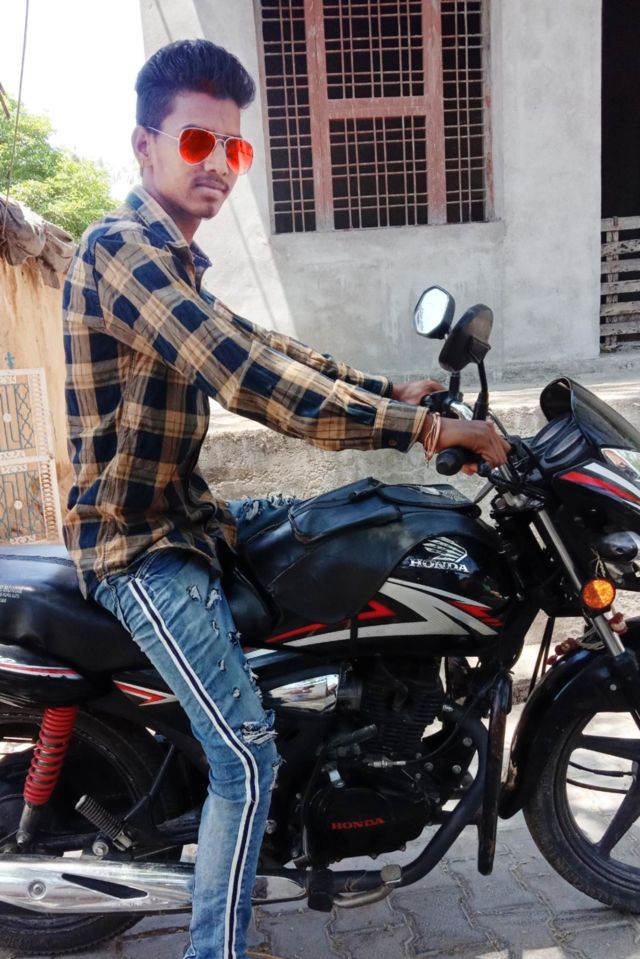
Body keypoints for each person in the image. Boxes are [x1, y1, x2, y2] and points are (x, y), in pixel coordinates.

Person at [62, 38, 509, 959]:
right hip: (134, 546)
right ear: (145, 146)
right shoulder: (122, 252)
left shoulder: (175, 262)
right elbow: (246, 375)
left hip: (190, 520)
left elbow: (272, 346)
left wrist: (392, 388)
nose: (220, 165)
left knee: (353, 528)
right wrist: (420, 430)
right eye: (198, 142)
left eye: (235, 148)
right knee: (244, 754)